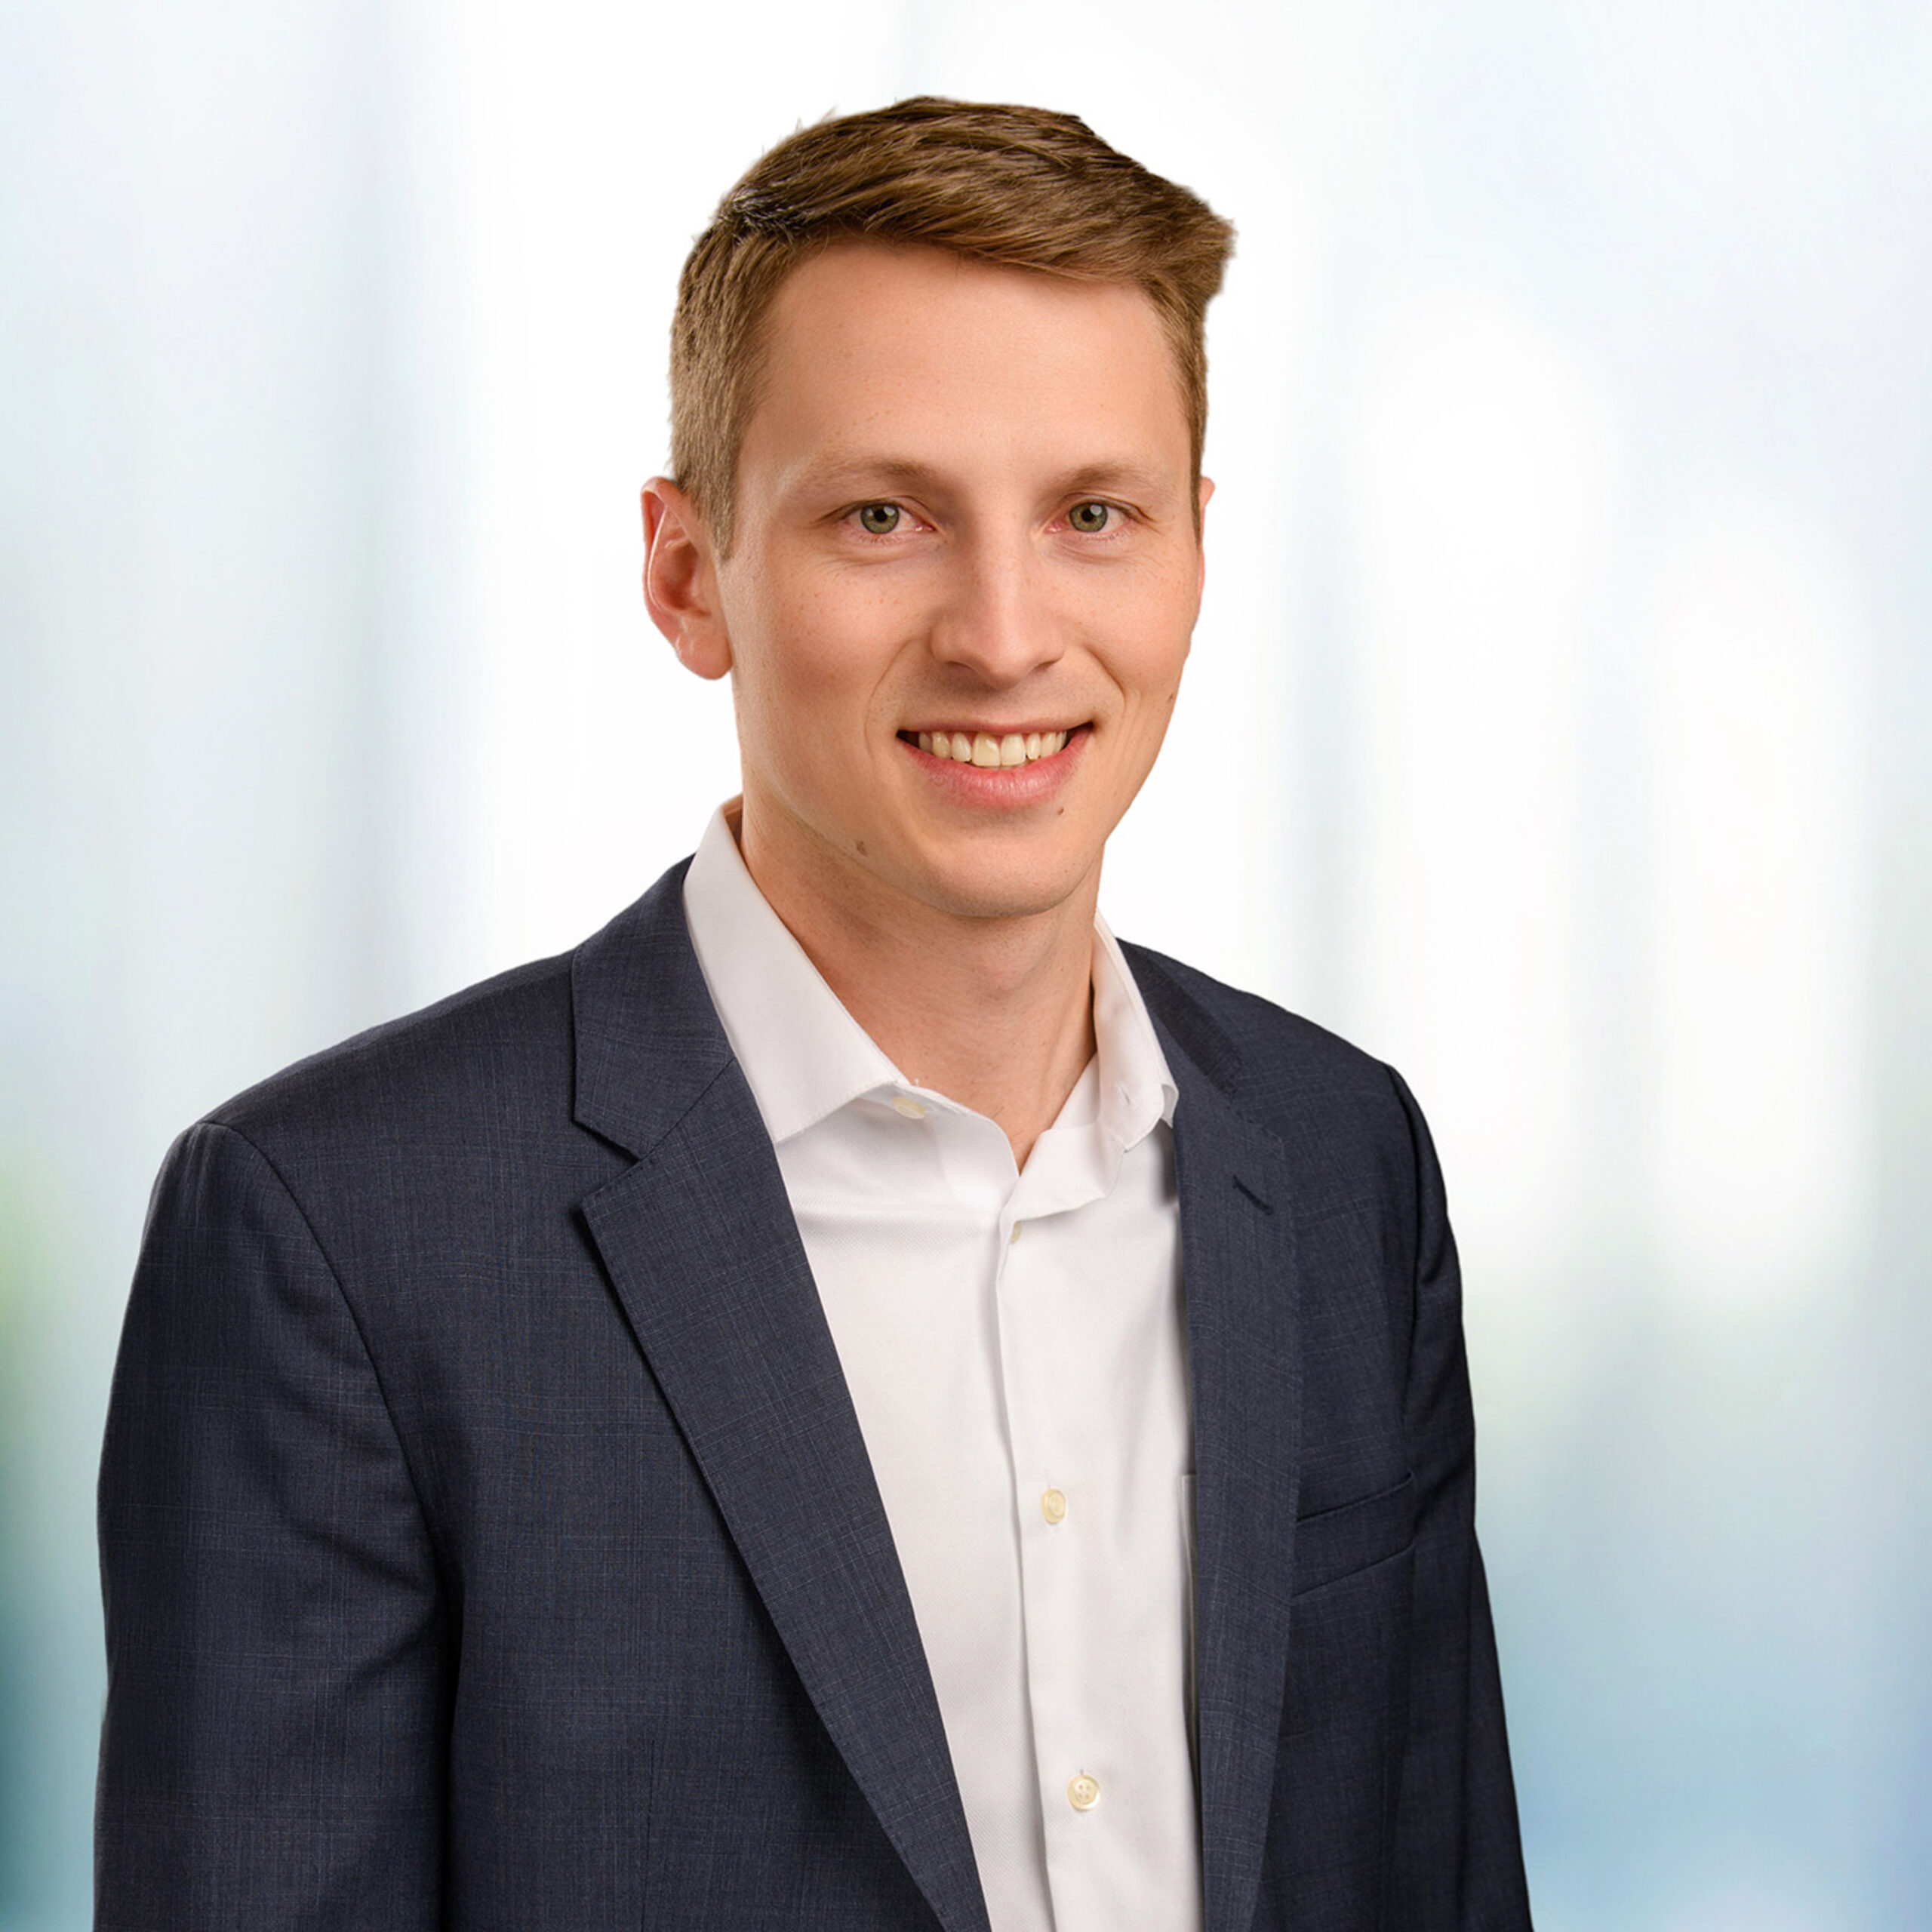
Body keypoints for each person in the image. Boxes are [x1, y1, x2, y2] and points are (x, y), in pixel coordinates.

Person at [95, 98, 1531, 1932]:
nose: (1006, 634)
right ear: (687, 573)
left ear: (1192, 548)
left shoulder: (1341, 1164)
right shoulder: (336, 1238)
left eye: (1093, 513)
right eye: (883, 515)